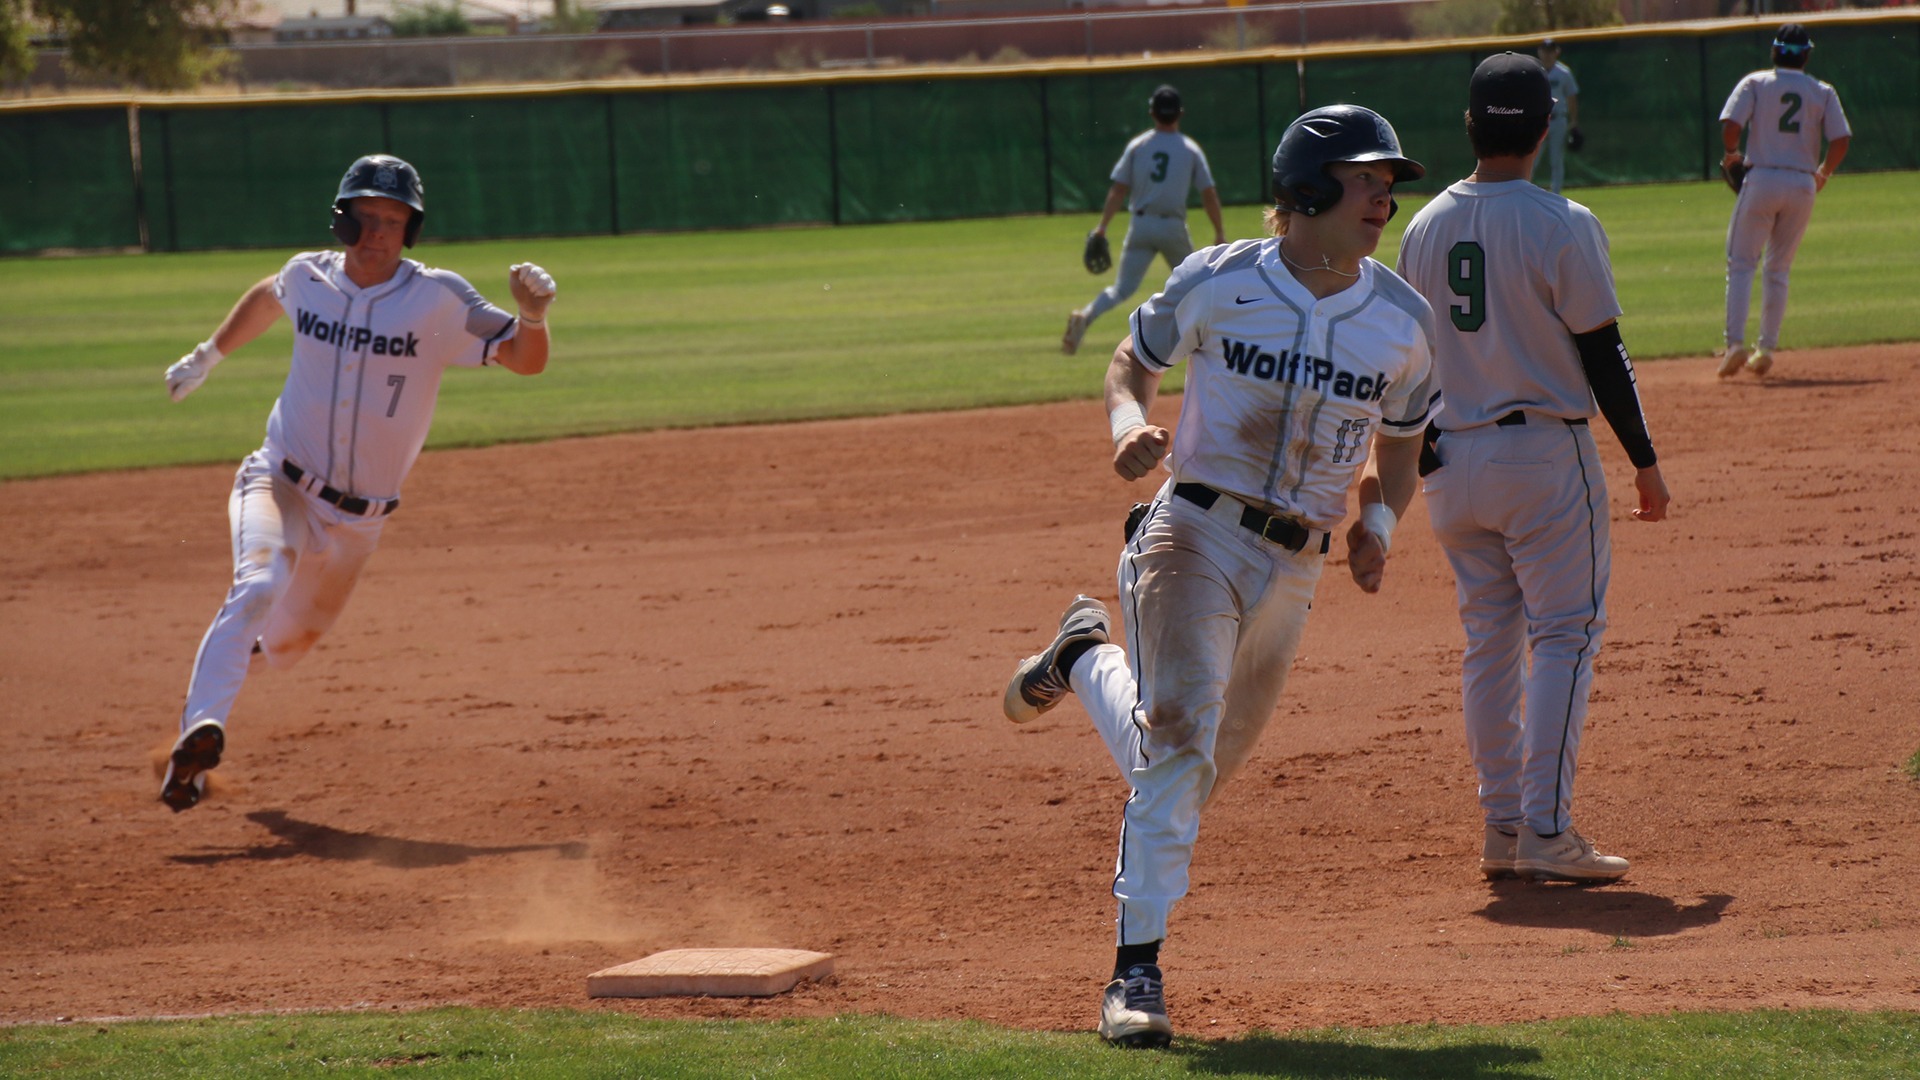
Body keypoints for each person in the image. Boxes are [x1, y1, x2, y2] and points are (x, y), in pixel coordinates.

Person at [1006, 105, 1436, 1047]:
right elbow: (1131, 363)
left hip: (1298, 568)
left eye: (1387, 180)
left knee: (1189, 772)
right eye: (1367, 178)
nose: (1384, 196)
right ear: (1310, 189)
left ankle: (1083, 661)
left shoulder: (1403, 322)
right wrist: (1128, 430)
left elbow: (1400, 448)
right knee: (1180, 754)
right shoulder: (1219, 279)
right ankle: (1135, 978)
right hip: (1193, 535)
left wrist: (1380, 524)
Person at [157, 153, 558, 813]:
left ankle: (235, 655)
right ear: (342, 219)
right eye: (367, 217)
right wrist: (207, 357)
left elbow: (522, 359)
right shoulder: (308, 275)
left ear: (411, 231)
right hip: (278, 480)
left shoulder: (439, 299)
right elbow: (270, 293)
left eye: (394, 221)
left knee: (287, 644)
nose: (378, 233)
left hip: (359, 524)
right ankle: (194, 748)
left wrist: (535, 315)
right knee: (256, 584)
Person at [1395, 53, 1671, 886]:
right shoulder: (1562, 221)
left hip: (1449, 462)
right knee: (1565, 635)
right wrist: (1646, 461)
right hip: (1544, 459)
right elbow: (1603, 354)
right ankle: (1547, 831)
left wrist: (1419, 454)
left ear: (1470, 125)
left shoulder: (1423, 227)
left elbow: (1406, 362)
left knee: (1489, 643)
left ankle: (1505, 826)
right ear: (1546, 125)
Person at [1714, 23, 1850, 378]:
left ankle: (1734, 345)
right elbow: (1841, 140)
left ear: (1774, 51)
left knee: (1742, 263)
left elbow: (1730, 124)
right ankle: (1766, 348)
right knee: (1778, 269)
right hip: (1803, 183)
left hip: (1762, 178)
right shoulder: (1823, 91)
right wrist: (1823, 174)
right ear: (1807, 53)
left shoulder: (1756, 83)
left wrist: (1732, 153)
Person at [1061, 84, 1225, 356]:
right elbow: (1208, 194)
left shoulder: (1138, 146)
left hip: (1141, 225)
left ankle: (1085, 316)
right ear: (1180, 113)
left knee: (1121, 289)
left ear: (1152, 112)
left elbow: (1118, 191)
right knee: (1199, 284)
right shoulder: (1190, 149)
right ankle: (1216, 339)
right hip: (1172, 226)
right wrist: (1219, 232)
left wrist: (1102, 227)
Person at [1536, 38, 1580, 194]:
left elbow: (1572, 98)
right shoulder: (1534, 71)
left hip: (1558, 120)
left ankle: (1555, 195)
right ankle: (1524, 195)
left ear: (1557, 52)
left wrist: (1574, 122)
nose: (1547, 54)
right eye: (1544, 51)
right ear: (1539, 52)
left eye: (1550, 51)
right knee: (1531, 161)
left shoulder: (1563, 73)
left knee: (1556, 161)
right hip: (1538, 121)